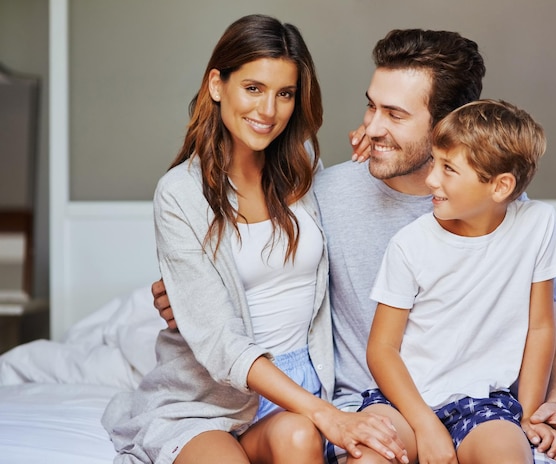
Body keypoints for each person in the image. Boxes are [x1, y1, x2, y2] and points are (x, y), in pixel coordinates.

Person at [152, 27, 556, 464]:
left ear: (448, 122)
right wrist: (191, 295)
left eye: (395, 115)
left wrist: (553, 404)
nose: (372, 126)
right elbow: (244, 269)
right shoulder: (323, 189)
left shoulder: (499, 208)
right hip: (369, 409)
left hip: (476, 412)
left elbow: (547, 325)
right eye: (371, 106)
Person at [102, 14, 407, 464]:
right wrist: (329, 416)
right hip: (211, 395)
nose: (268, 111)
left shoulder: (302, 164)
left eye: (284, 94)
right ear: (216, 85)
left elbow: (356, 229)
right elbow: (221, 341)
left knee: (301, 437)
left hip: (304, 383)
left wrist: (377, 148)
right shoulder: (180, 193)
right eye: (253, 88)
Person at [358, 99, 556, 464]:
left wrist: (527, 415)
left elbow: (541, 328)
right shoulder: (411, 244)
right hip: (405, 401)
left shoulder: (539, 225)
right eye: (434, 162)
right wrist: (427, 427)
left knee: (508, 456)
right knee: (370, 455)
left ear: (500, 186)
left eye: (448, 169)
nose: (431, 180)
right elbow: (382, 349)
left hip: (484, 403)